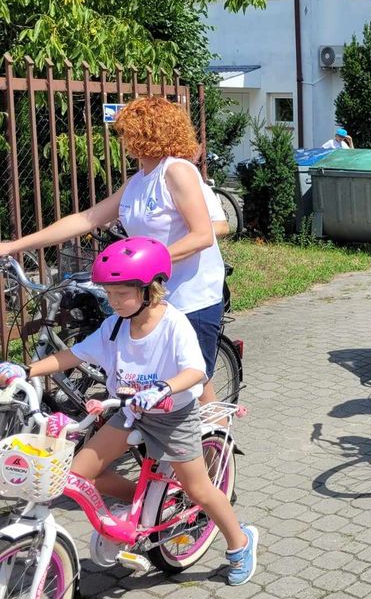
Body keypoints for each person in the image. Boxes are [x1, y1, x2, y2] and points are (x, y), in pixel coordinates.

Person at [0, 237, 258, 584]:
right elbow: (74, 355)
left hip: (172, 416)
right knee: (76, 474)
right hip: (129, 411)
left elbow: (196, 371)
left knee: (197, 489)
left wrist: (164, 389)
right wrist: (27, 370)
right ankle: (146, 501)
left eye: (122, 293)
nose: (113, 301)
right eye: (109, 293)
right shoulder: (115, 326)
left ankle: (239, 542)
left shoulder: (173, 324)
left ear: (150, 290)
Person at [0, 97, 227, 404]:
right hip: (152, 298)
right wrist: (14, 246)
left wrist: (144, 265)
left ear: (148, 132)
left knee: (194, 382)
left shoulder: (176, 171)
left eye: (127, 132)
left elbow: (203, 235)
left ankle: (215, 446)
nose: (123, 141)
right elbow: (86, 219)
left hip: (191, 297)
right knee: (164, 385)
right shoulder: (137, 183)